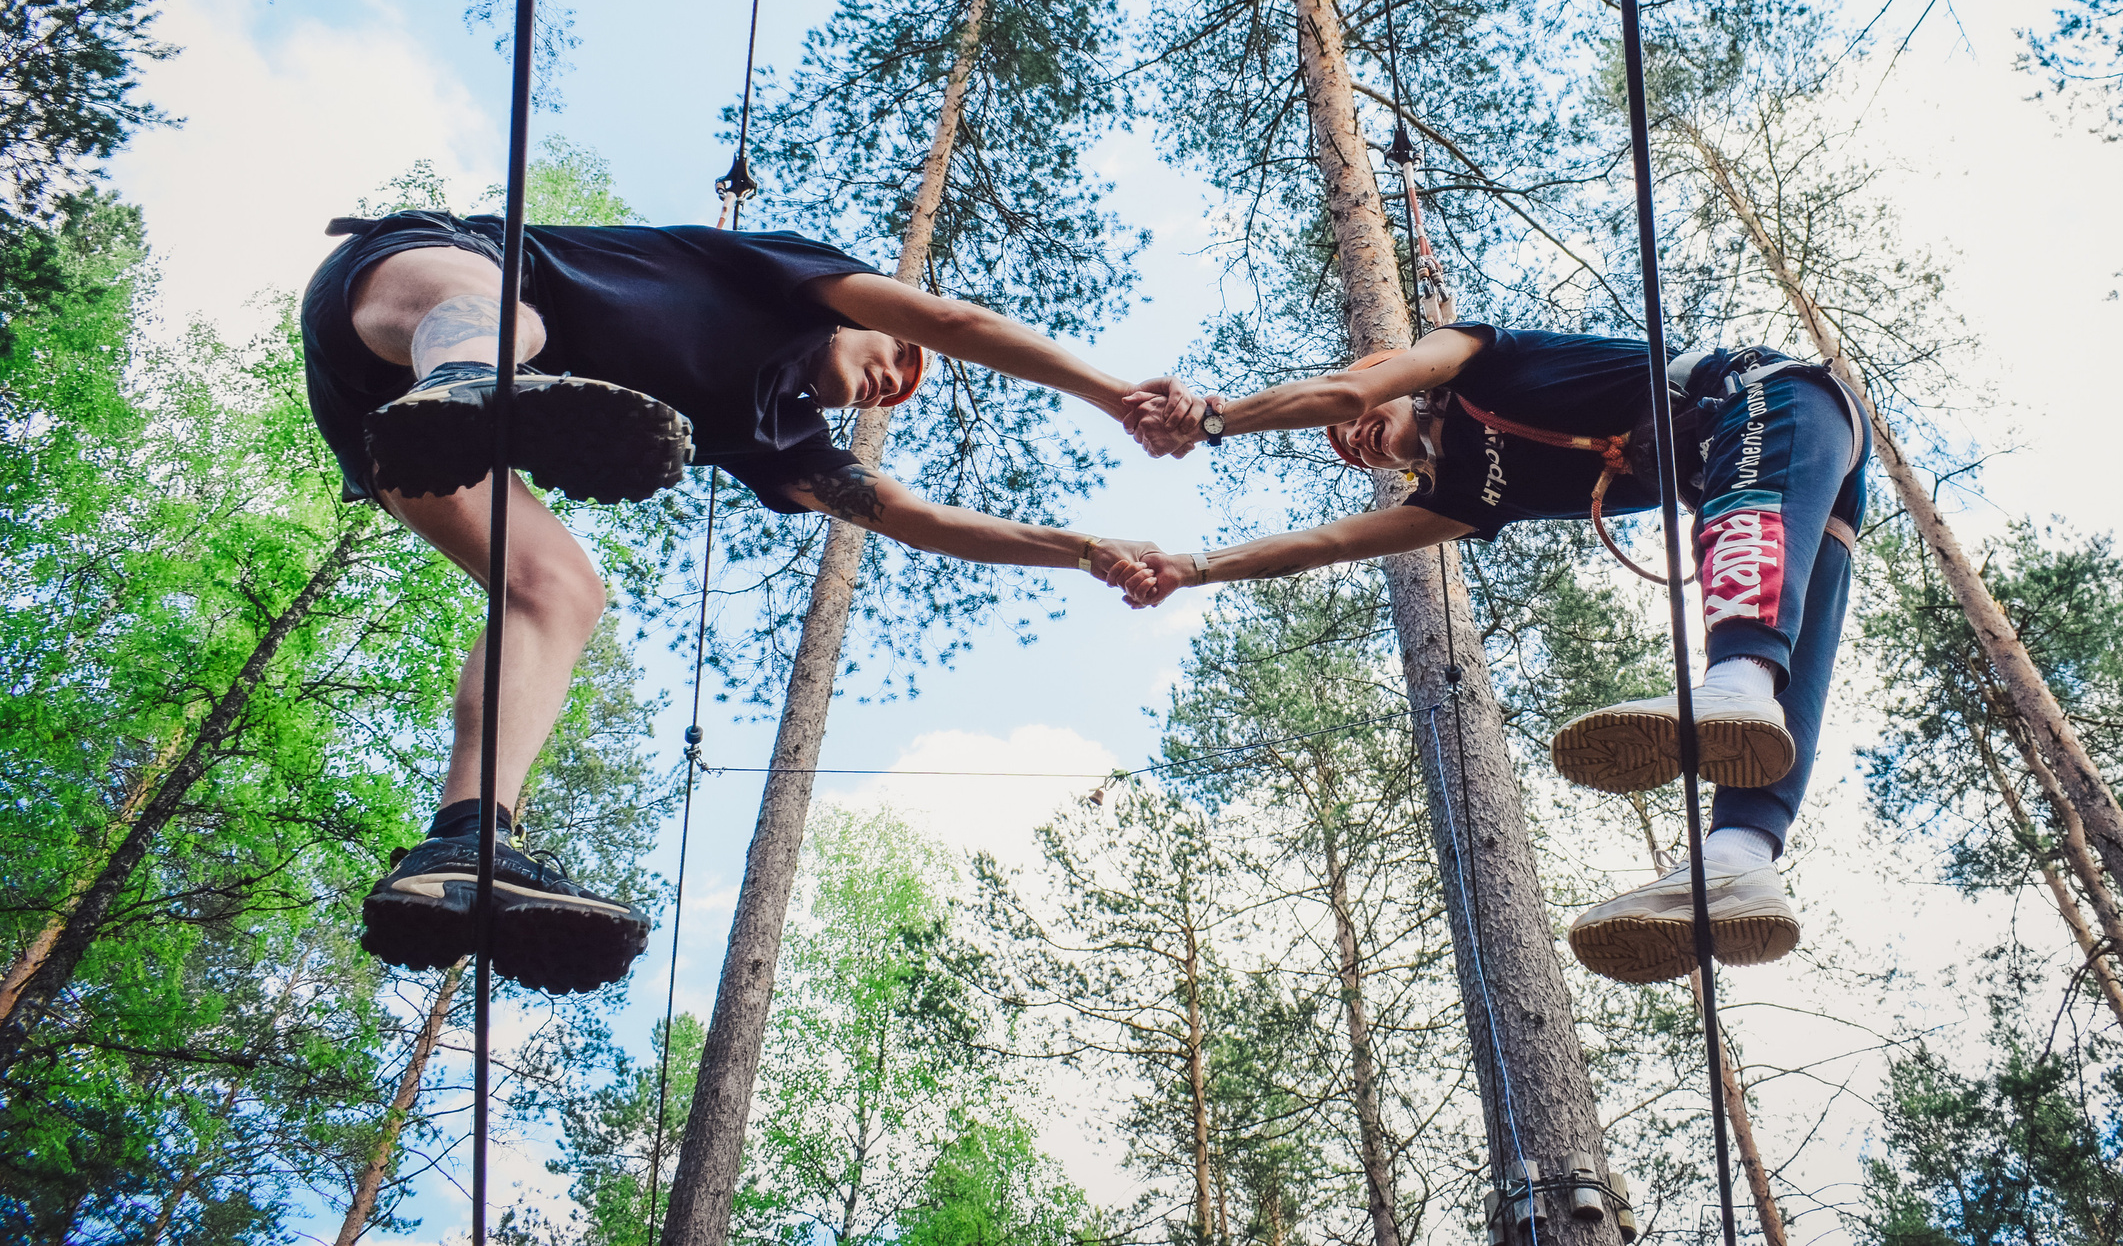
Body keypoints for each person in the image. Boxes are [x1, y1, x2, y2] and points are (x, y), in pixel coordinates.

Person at [303, 209, 1168, 995]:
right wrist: (1113, 394)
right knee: (512, 322)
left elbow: (914, 517)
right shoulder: (792, 278)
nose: (896, 378)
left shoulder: (777, 435)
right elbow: (952, 322)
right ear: (866, 314)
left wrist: (1088, 550)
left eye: (908, 388)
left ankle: (464, 839)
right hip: (415, 280)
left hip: (377, 422)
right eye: (897, 354)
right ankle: (467, 382)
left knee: (559, 589)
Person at [1115, 322, 1867, 980]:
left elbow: (1346, 392)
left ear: (1396, 375)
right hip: (1798, 469)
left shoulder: (1470, 355)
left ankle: (1734, 681)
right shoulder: (1464, 495)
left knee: (1741, 555)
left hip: (1773, 401)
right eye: (1350, 452)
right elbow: (1324, 543)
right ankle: (1741, 855)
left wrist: (1216, 419)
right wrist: (1193, 567)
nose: (1356, 438)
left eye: (1360, 416)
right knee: (1795, 652)